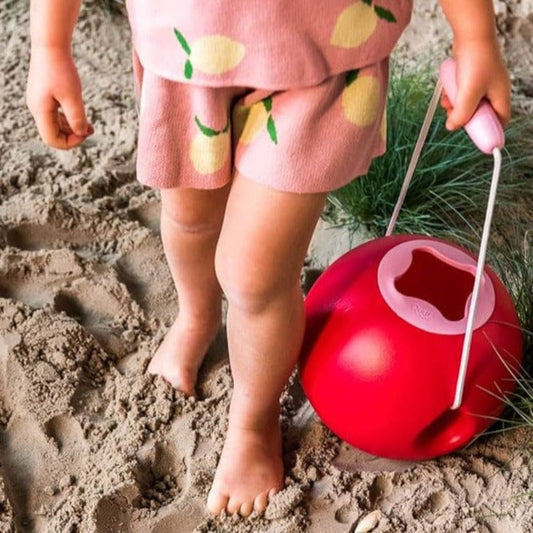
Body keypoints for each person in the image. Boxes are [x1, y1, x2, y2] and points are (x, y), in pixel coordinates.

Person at [26, 0, 510, 518]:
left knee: (254, 274)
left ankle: (253, 422)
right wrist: (50, 46)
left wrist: (474, 36)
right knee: (190, 219)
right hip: (186, 46)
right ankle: (196, 316)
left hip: (325, 54)